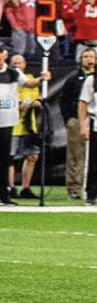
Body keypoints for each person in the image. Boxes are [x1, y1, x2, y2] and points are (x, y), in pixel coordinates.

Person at [0, 42, 50, 207]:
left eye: (2, 52)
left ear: (6, 54)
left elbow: (29, 84)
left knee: (5, 160)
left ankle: (3, 195)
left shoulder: (13, 72)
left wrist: (42, 78)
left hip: (7, 122)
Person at [61, 48, 95, 199]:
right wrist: (69, 119)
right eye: (85, 56)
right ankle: (74, 187)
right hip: (77, 119)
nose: (88, 59)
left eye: (91, 56)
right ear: (80, 60)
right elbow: (64, 100)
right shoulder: (74, 78)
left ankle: (90, 186)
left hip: (93, 119)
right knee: (75, 154)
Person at [8, 54, 43, 200]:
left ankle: (26, 187)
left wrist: (35, 103)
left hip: (29, 124)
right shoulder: (8, 80)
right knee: (9, 158)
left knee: (32, 156)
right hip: (13, 123)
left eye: (19, 63)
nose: (17, 66)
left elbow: (39, 98)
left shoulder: (30, 79)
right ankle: (10, 187)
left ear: (24, 64)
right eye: (14, 63)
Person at [78, 69, 97, 205]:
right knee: (94, 162)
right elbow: (83, 103)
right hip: (95, 122)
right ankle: (91, 193)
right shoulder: (91, 80)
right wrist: (82, 126)